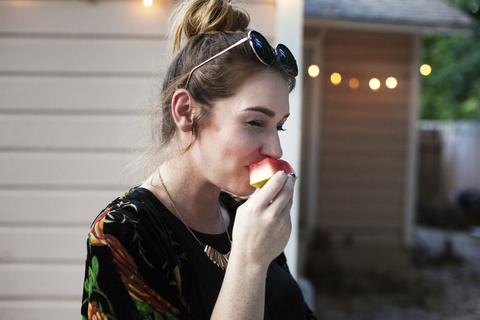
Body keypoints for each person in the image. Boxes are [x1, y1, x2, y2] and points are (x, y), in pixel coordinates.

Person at [81, 0, 316, 319]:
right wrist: (248, 260)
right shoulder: (122, 233)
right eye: (255, 123)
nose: (275, 151)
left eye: (279, 126)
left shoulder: (241, 210)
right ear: (185, 112)